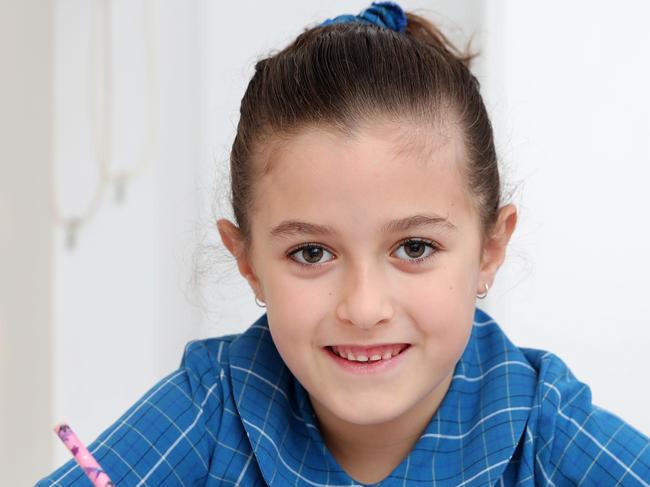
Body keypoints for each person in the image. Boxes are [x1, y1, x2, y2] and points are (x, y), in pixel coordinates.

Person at [36, 2, 650, 486]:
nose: (363, 307)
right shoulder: (210, 406)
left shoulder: (544, 428)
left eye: (414, 248)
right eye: (311, 253)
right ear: (247, 261)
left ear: (490, 249)